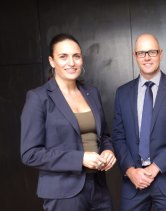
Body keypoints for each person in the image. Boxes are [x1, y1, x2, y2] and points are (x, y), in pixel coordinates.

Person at [20, 33, 116, 211]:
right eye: (63, 56)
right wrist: (80, 159)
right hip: (63, 193)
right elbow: (30, 154)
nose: (71, 63)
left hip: (99, 187)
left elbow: (104, 136)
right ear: (51, 61)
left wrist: (108, 150)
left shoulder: (92, 93)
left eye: (76, 56)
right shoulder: (38, 98)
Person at [112, 33, 166, 211]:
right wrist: (130, 171)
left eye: (152, 52)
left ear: (161, 54)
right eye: (141, 53)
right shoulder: (122, 93)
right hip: (133, 182)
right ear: (135, 56)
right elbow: (117, 136)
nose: (147, 57)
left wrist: (155, 167)